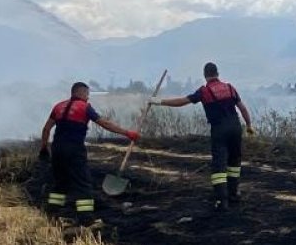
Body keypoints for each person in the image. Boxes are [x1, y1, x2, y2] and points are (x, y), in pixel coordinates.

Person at [149, 62, 253, 211]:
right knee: (234, 162)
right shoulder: (230, 88)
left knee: (219, 166)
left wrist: (158, 102)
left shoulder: (204, 91)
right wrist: (249, 126)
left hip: (219, 129)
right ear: (218, 73)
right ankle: (234, 194)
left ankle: (221, 201)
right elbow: (242, 108)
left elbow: (182, 102)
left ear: (205, 76)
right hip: (236, 128)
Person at [40, 82, 139, 227]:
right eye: (87, 94)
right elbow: (104, 123)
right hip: (74, 149)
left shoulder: (58, 106)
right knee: (82, 184)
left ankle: (53, 216)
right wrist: (127, 133)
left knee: (60, 184)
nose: (88, 97)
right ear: (81, 93)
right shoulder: (85, 107)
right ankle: (86, 220)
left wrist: (44, 147)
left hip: (57, 149)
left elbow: (46, 129)